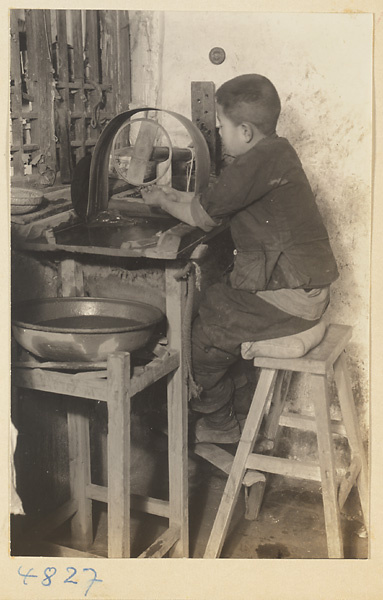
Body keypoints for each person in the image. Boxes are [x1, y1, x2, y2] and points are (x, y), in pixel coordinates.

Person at [141, 74, 339, 444]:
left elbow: (203, 216)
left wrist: (162, 200)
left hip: (292, 298)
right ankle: (241, 409)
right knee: (219, 296)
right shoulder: (277, 152)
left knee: (201, 335)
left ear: (245, 132)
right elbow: (211, 204)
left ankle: (219, 422)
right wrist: (171, 195)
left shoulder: (251, 164)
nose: (219, 135)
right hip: (306, 289)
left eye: (221, 128)